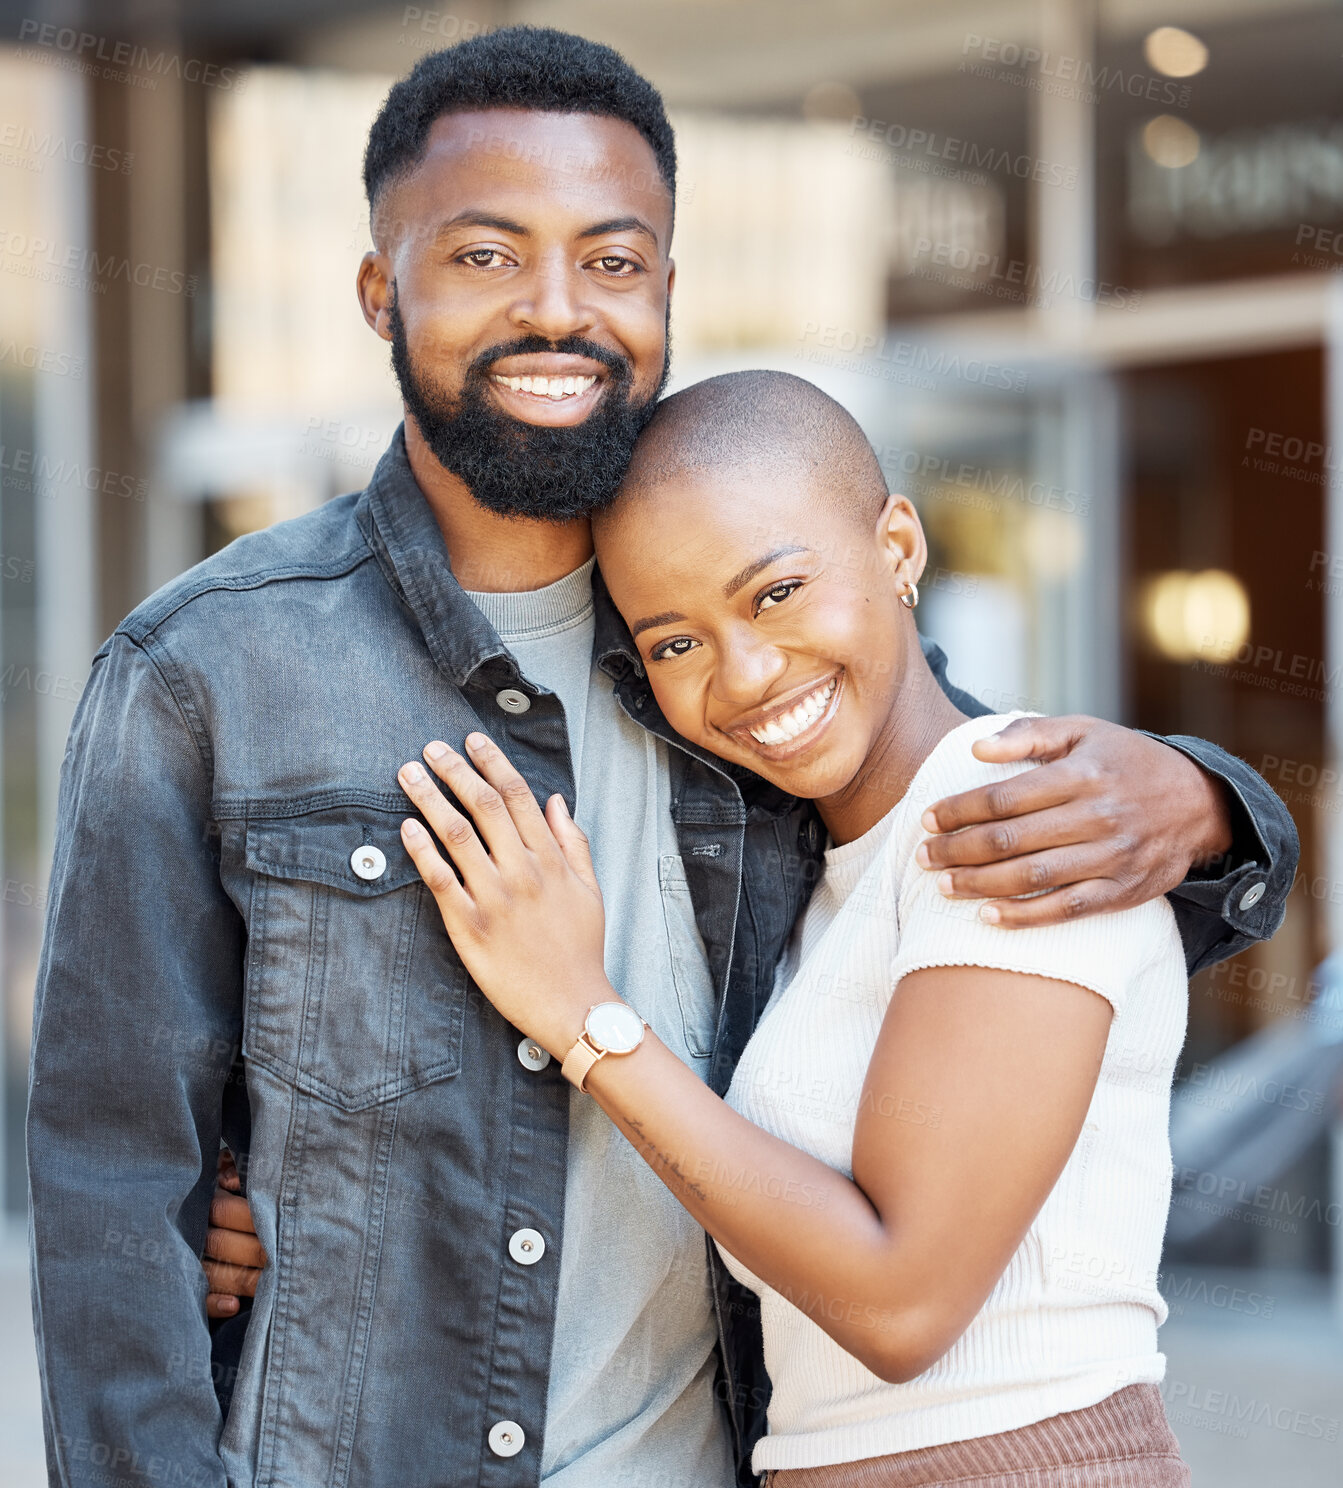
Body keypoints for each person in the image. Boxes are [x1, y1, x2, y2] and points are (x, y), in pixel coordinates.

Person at [27, 26, 1292, 1488]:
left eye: (612, 261)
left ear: (667, 292)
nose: (556, 310)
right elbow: (118, 1192)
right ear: (381, 291)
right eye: (485, 257)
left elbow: (989, 814)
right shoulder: (207, 674)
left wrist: (1205, 802)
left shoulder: (752, 666)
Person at [389, 369, 1197, 1485]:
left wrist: (582, 1016)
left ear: (898, 549)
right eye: (674, 644)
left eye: (773, 593)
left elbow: (900, 1301)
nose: (746, 674)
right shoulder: (813, 875)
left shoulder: (1011, 816)